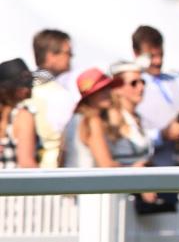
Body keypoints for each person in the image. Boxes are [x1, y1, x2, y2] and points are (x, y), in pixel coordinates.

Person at [133, 25, 179, 167]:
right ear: (136, 54)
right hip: (152, 175)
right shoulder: (130, 87)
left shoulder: (177, 80)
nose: (158, 61)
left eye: (160, 55)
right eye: (151, 56)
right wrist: (162, 135)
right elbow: (127, 137)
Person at [26, 29, 74, 167]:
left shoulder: (24, 88)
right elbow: (68, 138)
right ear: (50, 55)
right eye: (68, 53)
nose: (71, 57)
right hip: (53, 169)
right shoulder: (58, 94)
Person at [62, 68, 122, 168]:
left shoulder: (75, 118)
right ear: (90, 96)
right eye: (101, 90)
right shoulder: (92, 120)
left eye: (108, 88)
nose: (108, 93)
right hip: (87, 181)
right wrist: (134, 168)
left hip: (74, 180)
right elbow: (106, 165)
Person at [107, 61, 154, 166]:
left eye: (142, 82)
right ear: (117, 88)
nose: (141, 87)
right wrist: (132, 169)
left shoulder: (137, 117)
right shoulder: (112, 119)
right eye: (134, 83)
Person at [0, 58, 39, 168]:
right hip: (14, 184)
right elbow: (26, 162)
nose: (27, 88)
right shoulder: (22, 116)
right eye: (22, 84)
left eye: (29, 82)